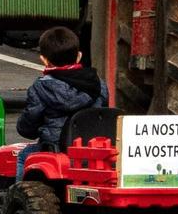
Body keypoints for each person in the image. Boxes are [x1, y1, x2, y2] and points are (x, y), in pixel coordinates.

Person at [15, 26, 108, 180]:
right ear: (78, 56)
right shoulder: (98, 83)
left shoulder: (41, 87)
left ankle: (17, 196)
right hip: (92, 150)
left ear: (44, 59)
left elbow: (28, 128)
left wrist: (28, 128)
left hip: (57, 149)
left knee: (23, 156)